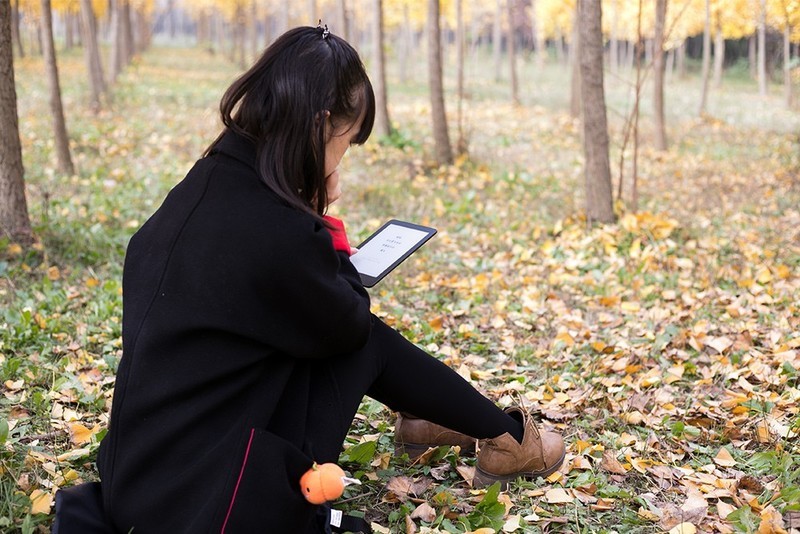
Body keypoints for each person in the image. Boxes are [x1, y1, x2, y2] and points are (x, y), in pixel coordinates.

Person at [93, 25, 565, 533]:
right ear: (321, 126)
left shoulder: (204, 182)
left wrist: (311, 227)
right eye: (348, 139)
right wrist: (321, 220)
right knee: (363, 340)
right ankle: (507, 437)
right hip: (208, 499)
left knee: (343, 329)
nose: (345, 155)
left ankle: (449, 424)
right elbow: (349, 322)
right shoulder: (279, 228)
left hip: (138, 472)